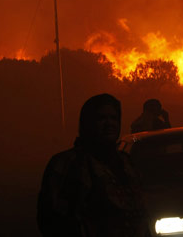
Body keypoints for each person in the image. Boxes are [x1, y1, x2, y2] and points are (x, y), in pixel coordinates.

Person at [37, 94, 146, 237]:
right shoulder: (67, 164)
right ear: (88, 123)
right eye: (102, 118)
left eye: (113, 118)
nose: (109, 123)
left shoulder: (126, 162)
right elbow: (51, 219)